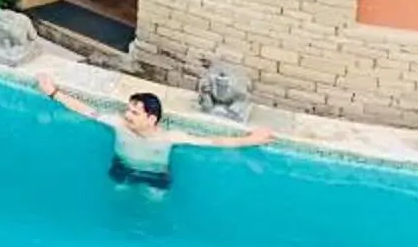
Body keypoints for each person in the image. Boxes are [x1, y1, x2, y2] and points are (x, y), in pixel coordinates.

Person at [36, 76, 270, 190]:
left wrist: (251, 139)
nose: (127, 115)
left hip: (156, 175)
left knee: (153, 206)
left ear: (151, 118)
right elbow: (86, 110)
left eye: (134, 113)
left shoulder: (168, 137)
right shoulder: (118, 124)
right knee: (117, 195)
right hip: (122, 166)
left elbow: (212, 140)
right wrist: (53, 92)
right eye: (129, 110)